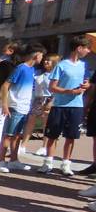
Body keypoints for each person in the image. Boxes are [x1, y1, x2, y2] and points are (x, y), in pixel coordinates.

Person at [39, 36, 91, 176]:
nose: (88, 51)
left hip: (77, 106)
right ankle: (47, 163)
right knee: (52, 135)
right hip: (59, 106)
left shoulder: (84, 65)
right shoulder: (62, 65)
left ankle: (66, 164)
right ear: (79, 48)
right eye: (87, 48)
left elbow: (87, 82)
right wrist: (69, 91)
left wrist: (87, 85)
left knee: (71, 136)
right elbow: (52, 86)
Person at [0, 43, 45, 173]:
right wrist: (5, 105)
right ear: (36, 55)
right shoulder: (21, 68)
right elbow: (6, 85)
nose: (42, 58)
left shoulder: (31, 70)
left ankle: (13, 160)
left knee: (17, 136)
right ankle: (1, 161)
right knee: (8, 135)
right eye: (41, 55)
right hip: (15, 106)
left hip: (25, 107)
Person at [23, 54, 58, 157]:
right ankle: (23, 145)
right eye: (45, 60)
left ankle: (44, 147)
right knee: (31, 121)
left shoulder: (55, 75)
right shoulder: (38, 73)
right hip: (38, 98)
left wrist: (51, 101)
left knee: (46, 124)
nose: (46, 62)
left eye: (49, 61)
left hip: (49, 99)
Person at [0, 42, 19, 155]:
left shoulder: (2, 63)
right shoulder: (19, 65)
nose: (3, 53)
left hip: (2, 92)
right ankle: (8, 149)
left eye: (5, 50)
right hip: (15, 94)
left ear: (11, 51)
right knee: (11, 123)